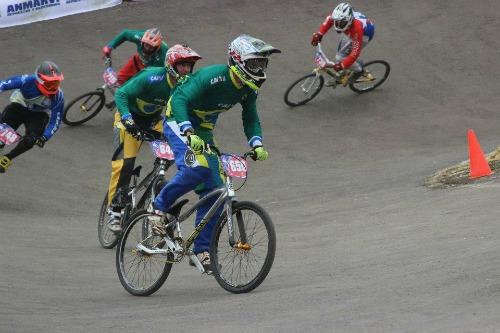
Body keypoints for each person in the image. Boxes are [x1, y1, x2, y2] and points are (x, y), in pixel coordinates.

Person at [152, 34, 280, 270]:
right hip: (178, 120)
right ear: (237, 61)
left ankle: (201, 251)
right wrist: (188, 131)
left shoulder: (248, 89)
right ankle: (158, 208)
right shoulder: (214, 76)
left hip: (204, 129)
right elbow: (180, 98)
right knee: (197, 167)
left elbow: (250, 116)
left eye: (262, 64)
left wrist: (257, 143)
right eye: (254, 64)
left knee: (215, 188)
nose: (259, 69)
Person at [106, 44, 202, 233]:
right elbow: (121, 93)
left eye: (189, 65)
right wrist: (127, 119)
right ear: (170, 65)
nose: (186, 69)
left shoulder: (185, 86)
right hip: (129, 117)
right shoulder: (152, 76)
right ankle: (115, 209)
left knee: (171, 154)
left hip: (153, 121)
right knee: (126, 163)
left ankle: (156, 187)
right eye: (182, 65)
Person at [0, 61, 64, 173]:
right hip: (19, 106)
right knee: (2, 131)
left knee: (31, 140)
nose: (54, 87)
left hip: (38, 115)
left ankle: (8, 158)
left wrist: (45, 136)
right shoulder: (27, 80)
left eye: (56, 83)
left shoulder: (58, 97)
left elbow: (55, 121)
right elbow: (3, 85)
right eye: (50, 84)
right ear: (39, 80)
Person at [310, 2, 375, 85]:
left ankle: (359, 71)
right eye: (336, 22)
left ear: (349, 20)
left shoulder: (357, 29)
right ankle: (354, 64)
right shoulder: (338, 17)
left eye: (341, 23)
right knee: (341, 56)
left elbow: (355, 52)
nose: (338, 25)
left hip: (363, 35)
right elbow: (328, 21)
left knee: (340, 57)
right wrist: (319, 34)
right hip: (350, 31)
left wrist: (342, 65)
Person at [102, 28, 168, 86]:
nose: (147, 49)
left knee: (138, 88)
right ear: (142, 42)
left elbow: (153, 74)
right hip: (138, 60)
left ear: (157, 48)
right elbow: (125, 33)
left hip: (153, 69)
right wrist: (110, 46)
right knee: (119, 80)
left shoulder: (161, 56)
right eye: (146, 45)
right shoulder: (139, 37)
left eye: (151, 47)